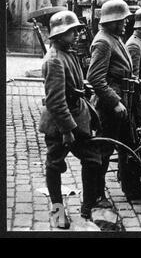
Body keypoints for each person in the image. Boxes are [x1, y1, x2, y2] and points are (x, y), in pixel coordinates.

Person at [39, 11, 102, 228]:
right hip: (60, 124)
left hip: (77, 118)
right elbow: (56, 101)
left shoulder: (68, 53)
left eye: (75, 31)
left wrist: (83, 86)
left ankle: (88, 207)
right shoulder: (54, 60)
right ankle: (58, 213)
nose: (76, 35)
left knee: (93, 159)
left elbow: (73, 82)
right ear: (59, 34)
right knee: (54, 165)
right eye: (71, 31)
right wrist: (67, 131)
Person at [87, 0, 141, 202]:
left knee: (128, 147)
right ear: (112, 21)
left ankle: (132, 190)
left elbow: (125, 73)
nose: (126, 24)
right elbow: (95, 78)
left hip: (123, 105)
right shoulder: (103, 42)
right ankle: (96, 194)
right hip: (109, 108)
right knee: (104, 151)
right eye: (122, 20)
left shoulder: (115, 38)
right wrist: (114, 102)